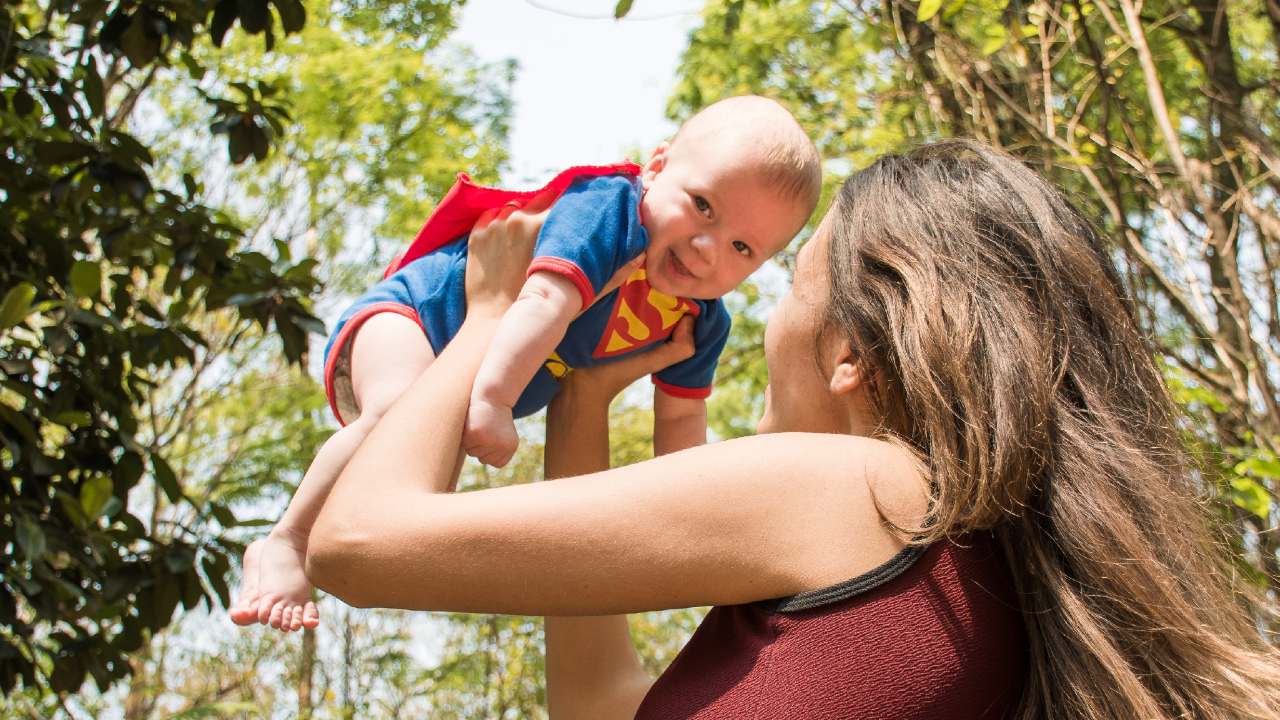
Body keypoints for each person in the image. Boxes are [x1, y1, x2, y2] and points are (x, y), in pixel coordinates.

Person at [303, 139, 1280, 719]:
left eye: (787, 282)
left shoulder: (858, 487)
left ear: (847, 350)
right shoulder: (973, 567)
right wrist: (586, 399)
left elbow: (358, 543)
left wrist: (483, 319)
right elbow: (601, 708)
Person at [229, 95, 822, 631]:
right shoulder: (609, 212)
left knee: (416, 490)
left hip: (468, 375)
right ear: (657, 168)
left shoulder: (698, 321)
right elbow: (543, 300)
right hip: (415, 317)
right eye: (702, 207)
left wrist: (696, 522)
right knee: (393, 412)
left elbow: (681, 426)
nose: (707, 247)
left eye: (743, 247)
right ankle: (287, 539)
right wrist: (493, 400)